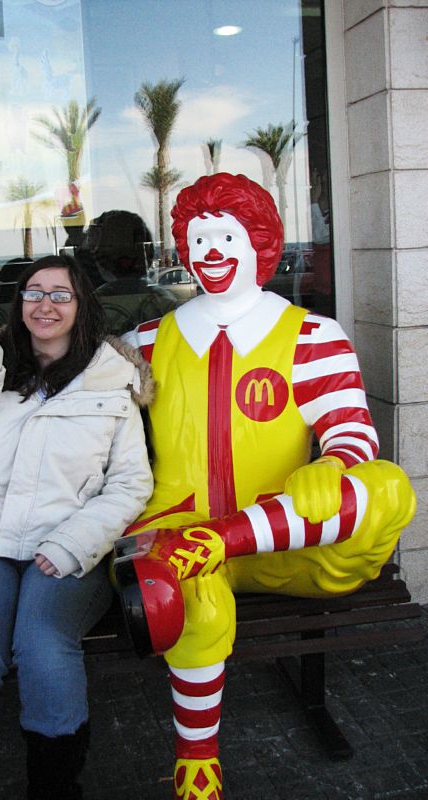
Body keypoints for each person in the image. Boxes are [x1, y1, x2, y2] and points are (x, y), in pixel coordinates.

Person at [113, 172, 416, 800]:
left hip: (288, 539)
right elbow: (71, 400)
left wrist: (332, 466)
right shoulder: (148, 341)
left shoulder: (313, 336)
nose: (212, 251)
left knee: (388, 487)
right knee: (194, 599)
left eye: (227, 236)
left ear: (260, 242)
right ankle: (197, 765)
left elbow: (353, 435)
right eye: (200, 239)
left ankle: (221, 540)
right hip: (179, 537)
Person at [0, 253, 154, 799]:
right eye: (34, 292)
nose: (45, 304)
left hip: (67, 549)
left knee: (43, 646)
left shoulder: (111, 381)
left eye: (60, 294)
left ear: (81, 306)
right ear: (19, 302)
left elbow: (129, 484)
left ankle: (54, 788)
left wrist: (74, 543)